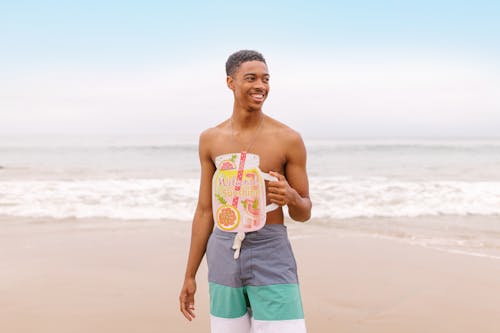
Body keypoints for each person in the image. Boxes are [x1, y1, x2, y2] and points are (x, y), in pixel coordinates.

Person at [179, 50, 312, 333]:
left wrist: (291, 197)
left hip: (271, 250)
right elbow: (205, 211)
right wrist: (189, 275)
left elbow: (304, 213)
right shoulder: (210, 139)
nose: (260, 86)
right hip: (223, 250)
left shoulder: (288, 139)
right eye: (251, 78)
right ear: (231, 82)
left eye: (265, 79)